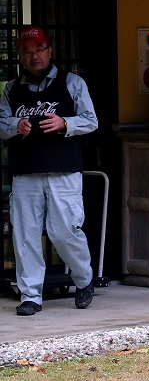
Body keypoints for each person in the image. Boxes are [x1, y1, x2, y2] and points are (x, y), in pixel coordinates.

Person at [0, 26, 99, 316]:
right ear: (20, 55)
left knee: (65, 231)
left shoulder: (73, 83)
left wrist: (65, 124)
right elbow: (2, 125)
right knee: (26, 235)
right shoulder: (11, 89)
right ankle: (31, 295)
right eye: (27, 51)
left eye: (39, 49)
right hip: (25, 172)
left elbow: (91, 120)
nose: (34, 56)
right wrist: (14, 127)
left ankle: (84, 280)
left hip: (64, 170)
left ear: (50, 51)